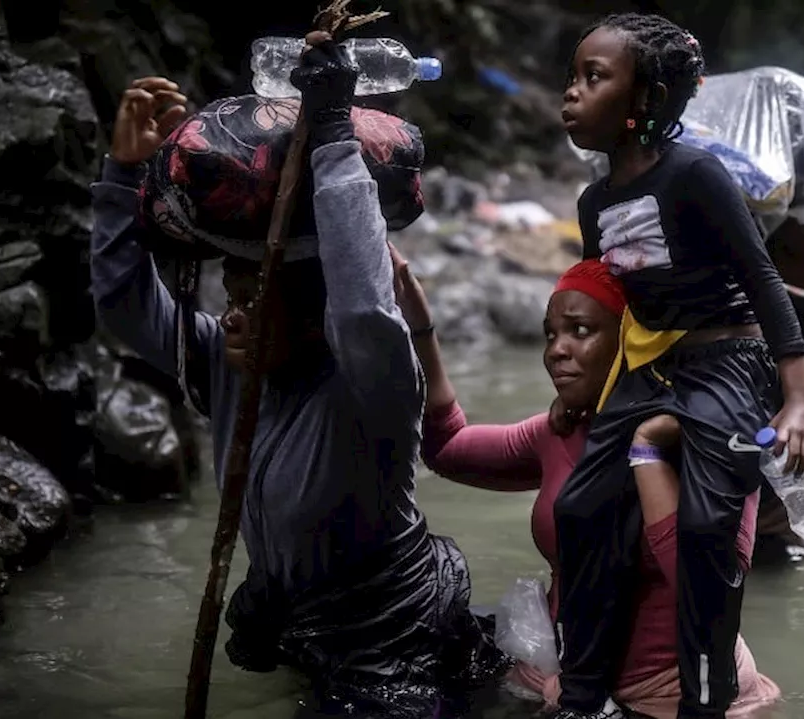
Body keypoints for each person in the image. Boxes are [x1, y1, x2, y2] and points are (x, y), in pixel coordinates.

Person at [89, 38, 504, 718]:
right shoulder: (230, 373)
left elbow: (366, 307)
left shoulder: (370, 390)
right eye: (231, 292)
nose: (231, 314)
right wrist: (124, 176)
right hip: (302, 621)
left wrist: (336, 134)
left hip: (395, 637)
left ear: (315, 312)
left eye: (254, 296)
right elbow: (125, 306)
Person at [557, 13, 804, 719]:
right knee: (579, 506)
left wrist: (798, 395)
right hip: (653, 364)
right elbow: (608, 299)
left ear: (642, 101)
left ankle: (706, 701)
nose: (571, 93)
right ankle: (584, 694)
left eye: (593, 77)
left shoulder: (695, 173)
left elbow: (763, 278)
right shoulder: (596, 199)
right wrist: (584, 390)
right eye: (574, 76)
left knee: (708, 524)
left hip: (730, 360)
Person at [391, 252, 781, 718]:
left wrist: (647, 451)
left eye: (580, 331)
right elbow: (447, 449)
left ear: (633, 342)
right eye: (550, 334)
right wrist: (420, 329)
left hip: (675, 694)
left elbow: (711, 587)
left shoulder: (709, 435)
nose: (556, 349)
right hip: (568, 681)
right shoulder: (558, 432)